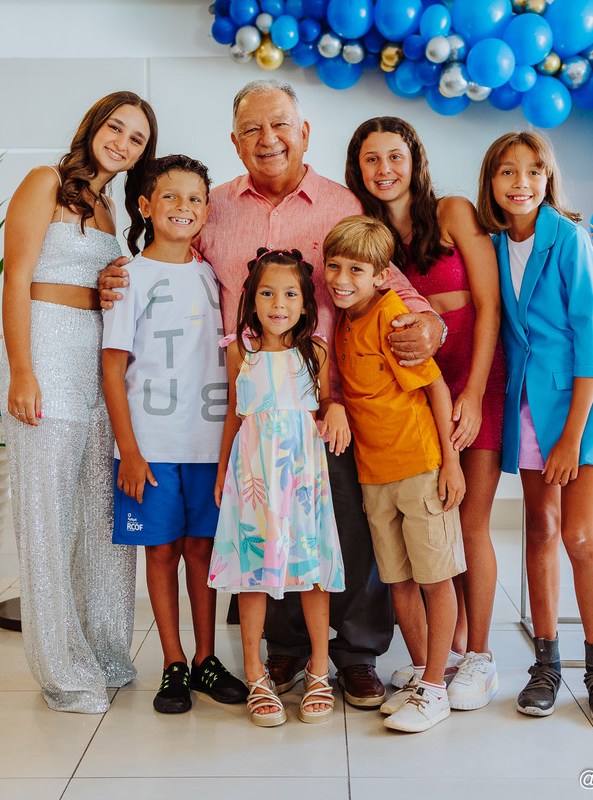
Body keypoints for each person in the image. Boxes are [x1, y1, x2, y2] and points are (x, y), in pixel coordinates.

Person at [101, 80, 443, 709]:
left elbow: (388, 280)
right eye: (253, 130)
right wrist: (118, 271)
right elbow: (172, 262)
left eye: (280, 125)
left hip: (336, 402)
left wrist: (430, 324)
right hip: (251, 406)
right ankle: (281, 650)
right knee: (266, 525)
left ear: (304, 132)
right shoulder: (215, 207)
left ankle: (357, 652)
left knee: (347, 528)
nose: (268, 139)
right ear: (235, 142)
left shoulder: (342, 203)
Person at [476, 131, 593, 725]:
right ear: (491, 183)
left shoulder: (569, 239)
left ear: (549, 181)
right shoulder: (494, 245)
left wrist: (571, 437)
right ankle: (546, 665)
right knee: (539, 532)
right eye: (507, 172)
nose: (521, 182)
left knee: (577, 535)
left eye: (534, 171)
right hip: (527, 407)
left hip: (584, 407)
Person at [0, 90, 156, 713]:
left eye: (137, 138)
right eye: (115, 127)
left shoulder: (112, 208)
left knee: (100, 522)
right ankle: (63, 671)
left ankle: (105, 650)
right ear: (93, 127)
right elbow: (16, 278)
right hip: (46, 356)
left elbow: (108, 290)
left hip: (97, 369)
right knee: (47, 521)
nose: (122, 142)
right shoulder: (44, 182)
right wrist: (20, 370)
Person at [345, 116, 506, 712]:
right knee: (433, 526)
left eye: (395, 156)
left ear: (414, 159)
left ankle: (480, 655)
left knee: (469, 524)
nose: (384, 170)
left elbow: (488, 309)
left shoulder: (454, 213)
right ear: (357, 169)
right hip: (417, 396)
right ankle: (447, 655)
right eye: (370, 159)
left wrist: (472, 392)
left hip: (475, 381)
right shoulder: (368, 239)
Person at [101, 154, 248, 715]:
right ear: (144, 206)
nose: (183, 207)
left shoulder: (216, 275)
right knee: (160, 552)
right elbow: (113, 369)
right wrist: (130, 453)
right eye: (169, 197)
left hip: (210, 444)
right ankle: (172, 661)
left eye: (194, 198)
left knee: (202, 551)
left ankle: (208, 658)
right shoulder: (129, 277)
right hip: (153, 446)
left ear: (208, 211)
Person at [324, 216, 466, 733]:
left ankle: (435, 687)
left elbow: (437, 388)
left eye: (356, 270)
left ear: (381, 275)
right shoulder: (345, 317)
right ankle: (426, 670)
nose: (341, 279)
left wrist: (450, 462)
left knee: (434, 577)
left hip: (419, 467)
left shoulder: (393, 316)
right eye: (334, 266)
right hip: (373, 473)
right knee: (399, 579)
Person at [210, 248, 347, 727]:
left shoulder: (316, 351)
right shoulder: (239, 352)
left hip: (303, 481)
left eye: (290, 294)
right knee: (251, 574)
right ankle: (254, 673)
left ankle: (317, 669)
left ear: (307, 304)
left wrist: (336, 410)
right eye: (267, 293)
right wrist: (223, 469)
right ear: (251, 301)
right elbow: (235, 414)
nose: (278, 303)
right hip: (252, 481)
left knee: (310, 574)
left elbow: (327, 402)